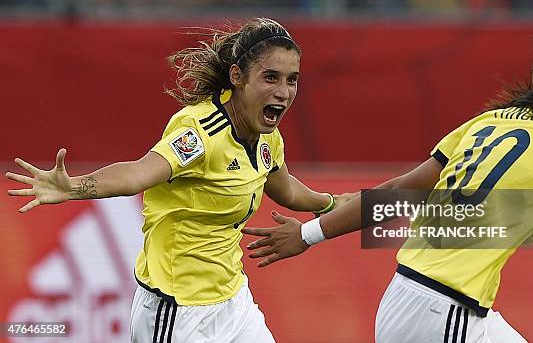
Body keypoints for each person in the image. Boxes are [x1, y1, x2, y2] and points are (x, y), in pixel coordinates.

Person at [242, 25, 533, 342]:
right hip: (444, 310)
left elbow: (397, 193)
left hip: (413, 298)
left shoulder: (488, 122)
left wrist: (308, 235)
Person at [5, 18, 350, 343]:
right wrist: (75, 187)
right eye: (271, 77)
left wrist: (331, 204)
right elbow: (138, 173)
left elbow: (285, 189)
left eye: (292, 79)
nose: (284, 91)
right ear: (237, 76)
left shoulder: (267, 138)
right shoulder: (201, 132)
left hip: (233, 300)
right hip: (177, 309)